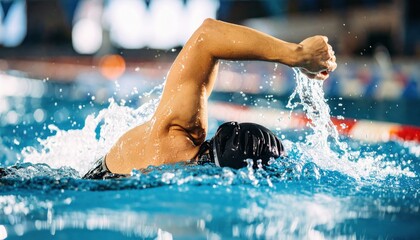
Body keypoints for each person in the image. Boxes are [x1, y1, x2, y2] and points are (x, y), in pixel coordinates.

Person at [83, 18, 337, 179]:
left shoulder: (176, 134)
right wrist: (296, 54)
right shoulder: (174, 137)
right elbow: (208, 33)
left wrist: (296, 56)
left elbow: (208, 37)